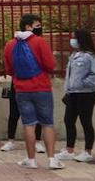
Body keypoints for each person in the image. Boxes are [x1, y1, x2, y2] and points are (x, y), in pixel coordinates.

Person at [4, 14, 62, 169]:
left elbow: (9, 69)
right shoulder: (39, 42)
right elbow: (50, 65)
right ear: (28, 26)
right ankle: (51, 159)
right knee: (47, 124)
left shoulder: (10, 44)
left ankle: (31, 160)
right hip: (41, 87)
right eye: (37, 24)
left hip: (21, 89)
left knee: (28, 124)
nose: (39, 27)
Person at [56, 29, 95, 164]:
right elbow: (69, 76)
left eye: (74, 37)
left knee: (86, 121)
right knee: (68, 120)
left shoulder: (90, 57)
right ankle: (69, 150)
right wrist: (68, 90)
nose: (72, 40)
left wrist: (83, 84)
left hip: (87, 94)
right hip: (73, 93)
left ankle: (88, 151)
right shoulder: (74, 56)